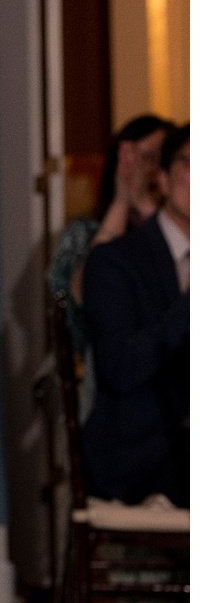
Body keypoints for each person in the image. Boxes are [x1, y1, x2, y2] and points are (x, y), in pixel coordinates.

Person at [82, 123, 189, 507]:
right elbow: (119, 367)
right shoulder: (116, 262)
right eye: (191, 165)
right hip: (142, 456)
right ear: (162, 175)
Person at [48, 113, 173, 361]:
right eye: (147, 158)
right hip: (107, 366)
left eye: (163, 159)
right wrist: (122, 201)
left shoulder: (184, 230)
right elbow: (83, 299)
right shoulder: (85, 232)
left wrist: (146, 209)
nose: (153, 170)